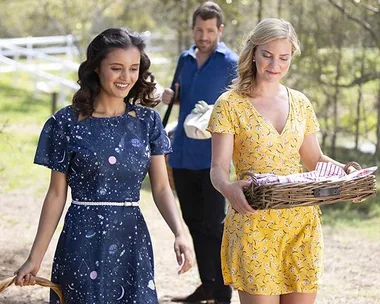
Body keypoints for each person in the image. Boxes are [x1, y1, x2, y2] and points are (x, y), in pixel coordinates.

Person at [14, 27, 194, 304]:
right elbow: (56, 195)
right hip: (81, 242)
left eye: (133, 69)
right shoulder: (66, 123)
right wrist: (34, 259)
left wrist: (180, 232)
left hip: (131, 238)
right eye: (116, 68)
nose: (126, 77)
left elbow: (160, 188)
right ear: (96, 68)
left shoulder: (148, 122)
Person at [208, 18, 360, 304]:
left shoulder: (301, 102)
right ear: (253, 53)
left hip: (301, 224)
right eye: (267, 55)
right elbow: (217, 169)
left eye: (284, 57)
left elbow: (314, 159)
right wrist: (228, 189)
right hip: (254, 223)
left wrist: (346, 173)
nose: (274, 65)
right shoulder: (229, 104)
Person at [161, 2, 238, 303]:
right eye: (199, 30)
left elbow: (240, 103)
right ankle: (207, 285)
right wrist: (171, 96)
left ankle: (222, 291)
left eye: (210, 30)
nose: (204, 36)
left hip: (213, 158)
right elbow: (180, 96)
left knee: (214, 225)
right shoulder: (185, 58)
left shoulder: (231, 62)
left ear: (220, 30)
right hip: (181, 153)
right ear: (192, 29)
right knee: (193, 222)